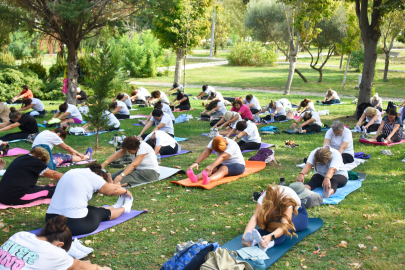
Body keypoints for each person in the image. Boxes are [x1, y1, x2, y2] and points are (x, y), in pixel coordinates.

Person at [46, 163, 134, 236]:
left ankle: (116, 206)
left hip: (51, 220)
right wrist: (125, 191)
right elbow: (111, 191)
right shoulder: (95, 178)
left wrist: (118, 187)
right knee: (100, 212)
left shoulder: (73, 171)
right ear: (100, 176)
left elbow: (108, 185)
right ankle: (126, 208)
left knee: (90, 208)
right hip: (74, 225)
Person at [1, 215, 112, 269]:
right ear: (59, 245)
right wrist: (101, 268)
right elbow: (79, 266)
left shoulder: (20, 235)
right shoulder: (54, 253)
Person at [242, 185, 308, 252]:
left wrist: (270, 237)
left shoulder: (286, 200)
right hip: (276, 207)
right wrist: (245, 235)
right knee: (270, 226)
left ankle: (268, 244)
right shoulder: (264, 198)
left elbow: (285, 225)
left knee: (284, 228)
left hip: (299, 212)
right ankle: (254, 240)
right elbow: (255, 217)